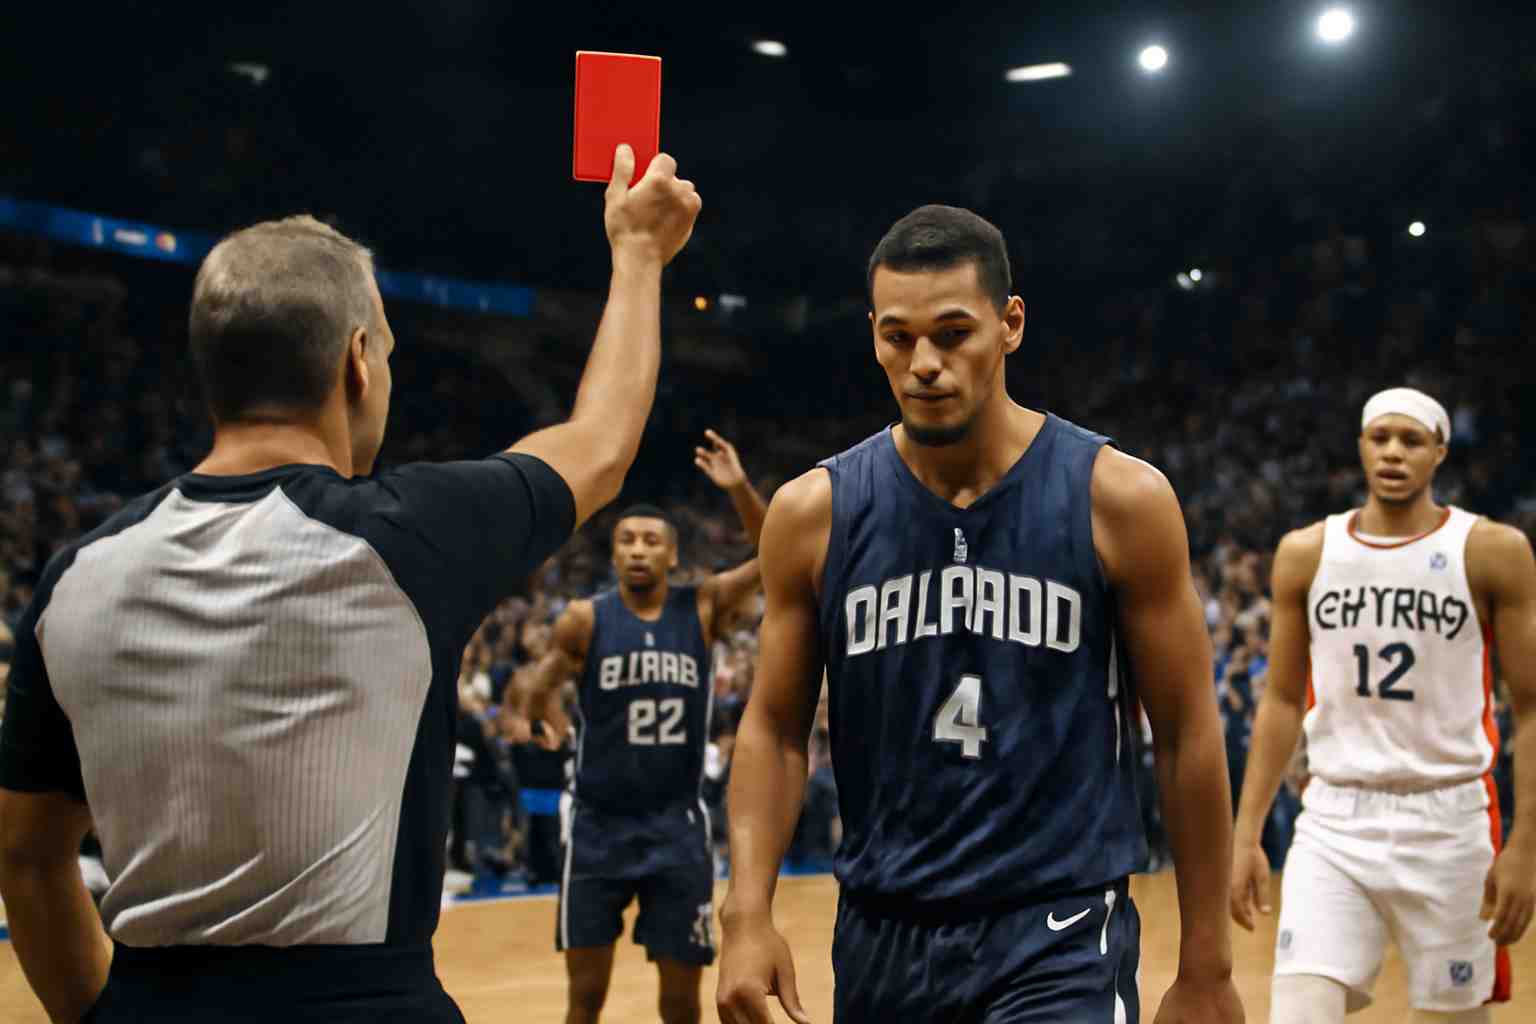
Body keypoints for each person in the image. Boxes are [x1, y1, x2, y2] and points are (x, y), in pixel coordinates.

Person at [0, 144, 701, 1023]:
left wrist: (104, 1016)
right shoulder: (406, 538)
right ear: (358, 363)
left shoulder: (73, 580)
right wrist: (637, 256)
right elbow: (600, 443)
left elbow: (26, 856)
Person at [716, 204, 1243, 1024]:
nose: (924, 362)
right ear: (874, 336)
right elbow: (776, 730)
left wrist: (1206, 965)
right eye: (898, 337)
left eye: (953, 332)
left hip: (1058, 926)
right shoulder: (812, 513)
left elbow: (1185, 734)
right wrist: (745, 915)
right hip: (882, 929)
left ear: (1011, 325)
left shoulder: (1120, 499)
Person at [1230, 387, 1536, 1023]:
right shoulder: (1306, 553)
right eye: (1381, 437)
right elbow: (1283, 700)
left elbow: (1531, 709)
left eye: (1412, 440)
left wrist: (1526, 846)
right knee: (1297, 1009)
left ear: (1440, 452)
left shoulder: (1492, 551)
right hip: (1336, 816)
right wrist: (1246, 833)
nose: (1394, 452)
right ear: (1361, 446)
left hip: (1450, 820)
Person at [510, 430, 767, 1024]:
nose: (638, 550)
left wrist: (739, 490)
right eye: (627, 540)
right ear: (614, 553)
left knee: (681, 1004)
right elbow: (537, 683)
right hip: (599, 827)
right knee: (584, 1001)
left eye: (652, 540)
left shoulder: (702, 606)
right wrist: (540, 718)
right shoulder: (584, 619)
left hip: (676, 827)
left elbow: (775, 551)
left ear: (673, 555)